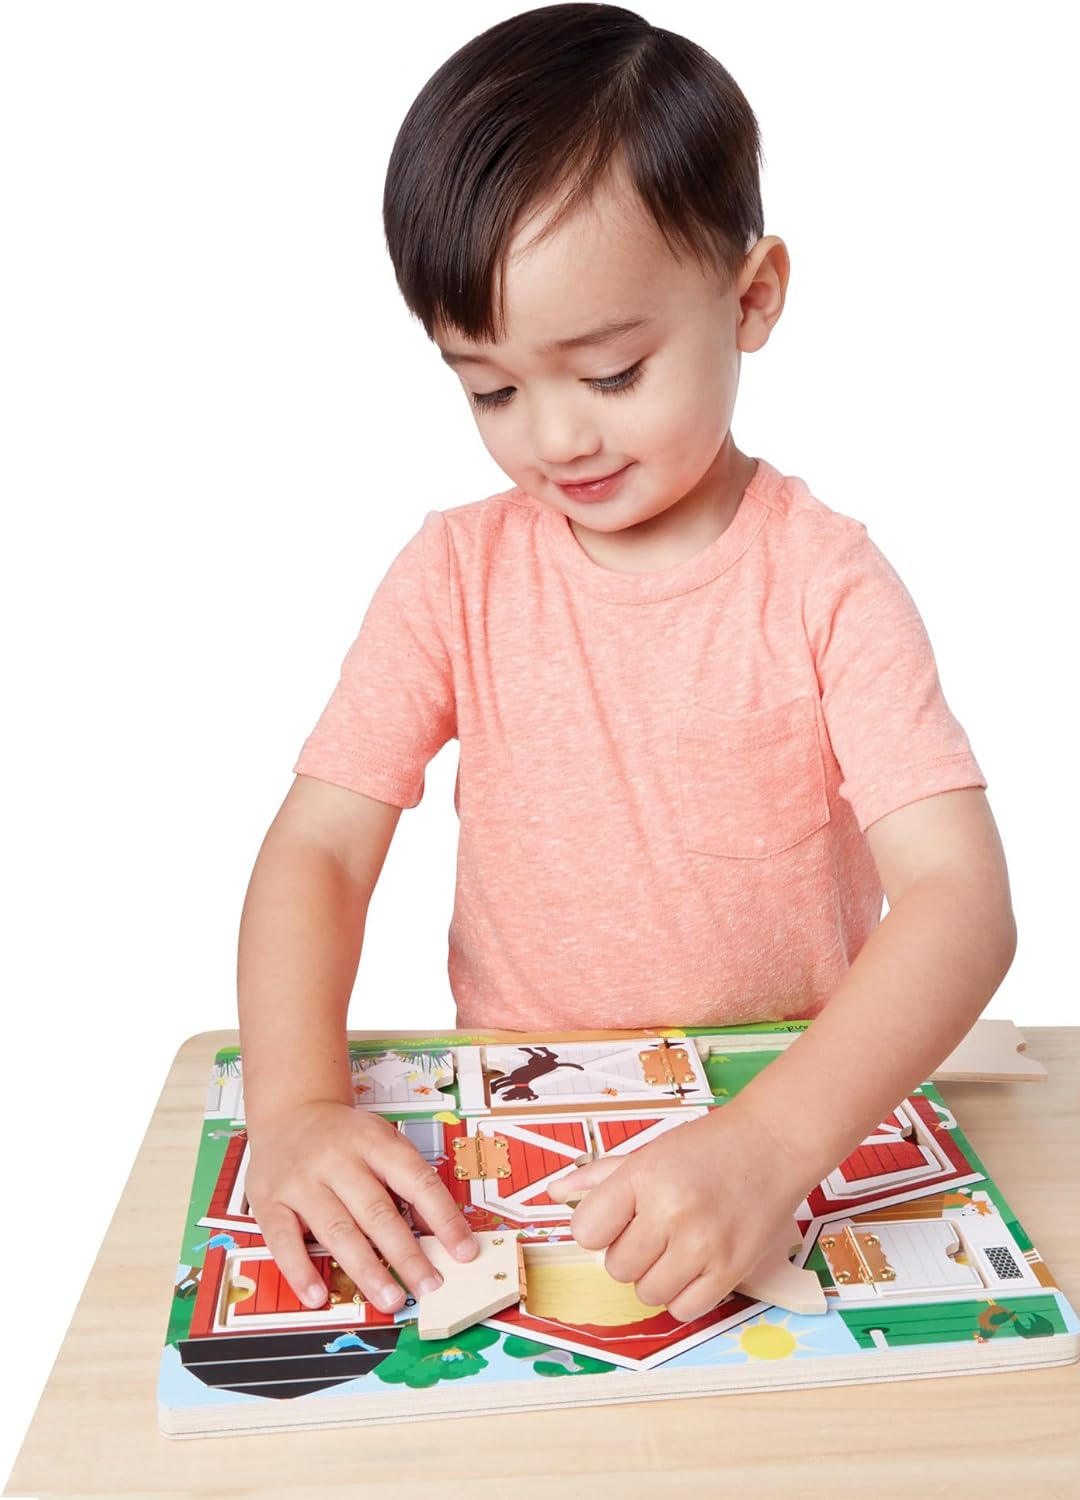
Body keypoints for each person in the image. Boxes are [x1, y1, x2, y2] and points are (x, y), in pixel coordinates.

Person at [237, 2, 1016, 1329]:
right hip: (529, 1137)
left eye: (609, 372)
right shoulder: (453, 574)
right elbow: (320, 847)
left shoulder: (826, 581)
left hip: (787, 1129)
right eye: (490, 388)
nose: (553, 438)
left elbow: (960, 901)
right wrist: (298, 1105)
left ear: (751, 298)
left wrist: (773, 1143)